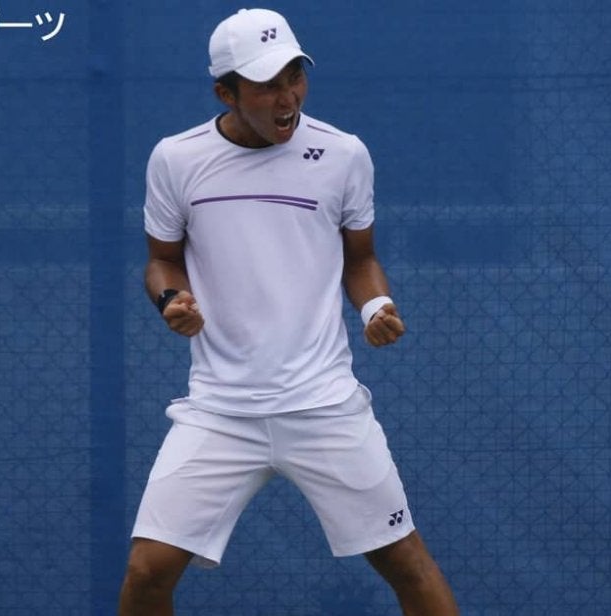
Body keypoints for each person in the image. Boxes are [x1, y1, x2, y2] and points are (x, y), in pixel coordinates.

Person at [119, 8, 460, 615]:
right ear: (226, 93)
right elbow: (162, 261)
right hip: (220, 411)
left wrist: (377, 306)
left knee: (408, 565)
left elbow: (360, 257)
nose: (287, 98)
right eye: (266, 85)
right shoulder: (175, 159)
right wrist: (172, 300)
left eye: (295, 77)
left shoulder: (344, 155)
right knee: (147, 572)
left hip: (325, 405)